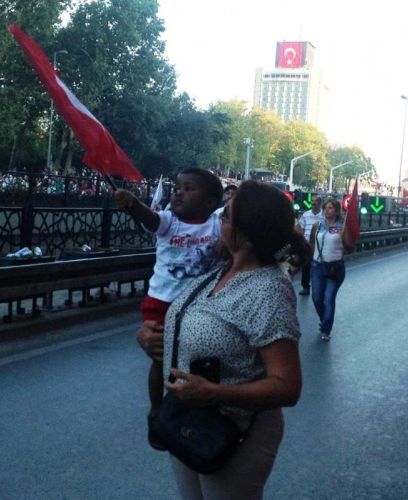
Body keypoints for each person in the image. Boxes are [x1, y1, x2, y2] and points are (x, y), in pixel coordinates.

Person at [138, 181, 312, 499]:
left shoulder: (268, 289)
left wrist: (214, 393)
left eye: (226, 216)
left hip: (236, 435)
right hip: (189, 421)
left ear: (246, 231)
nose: (219, 218)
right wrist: (150, 337)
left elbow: (288, 386)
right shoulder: (220, 269)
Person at [114, 167, 223, 448]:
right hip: (161, 302)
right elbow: (148, 219)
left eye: (189, 189)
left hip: (198, 306)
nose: (179, 192)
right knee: (160, 359)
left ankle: (191, 407)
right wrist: (133, 203)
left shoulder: (216, 225)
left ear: (211, 203)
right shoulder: (169, 222)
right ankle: (156, 409)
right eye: (177, 187)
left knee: (193, 359)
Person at [309, 198, 355, 341]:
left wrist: (344, 240)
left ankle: (326, 330)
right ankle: (325, 319)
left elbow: (350, 248)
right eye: (325, 208)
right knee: (316, 298)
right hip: (317, 265)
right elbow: (311, 243)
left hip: (334, 267)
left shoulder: (342, 227)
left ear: (336, 211)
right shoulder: (317, 225)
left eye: (330, 208)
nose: (326, 210)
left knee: (329, 299)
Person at [298, 195, 323, 295]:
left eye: (316, 201)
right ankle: (305, 287)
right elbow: (301, 229)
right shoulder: (306, 215)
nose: (314, 203)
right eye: (312, 201)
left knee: (319, 266)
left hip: (319, 244)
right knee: (306, 266)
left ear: (320, 203)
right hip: (308, 244)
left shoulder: (323, 216)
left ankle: (319, 287)